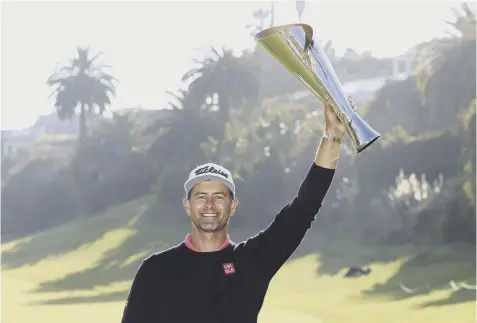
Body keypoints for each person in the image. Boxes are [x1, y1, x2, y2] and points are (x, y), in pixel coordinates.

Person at [121, 101, 346, 323]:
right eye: (201, 197)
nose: (210, 204)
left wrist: (333, 136)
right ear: (187, 206)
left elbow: (305, 207)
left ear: (233, 206)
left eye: (219, 197)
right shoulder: (156, 270)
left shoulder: (251, 263)